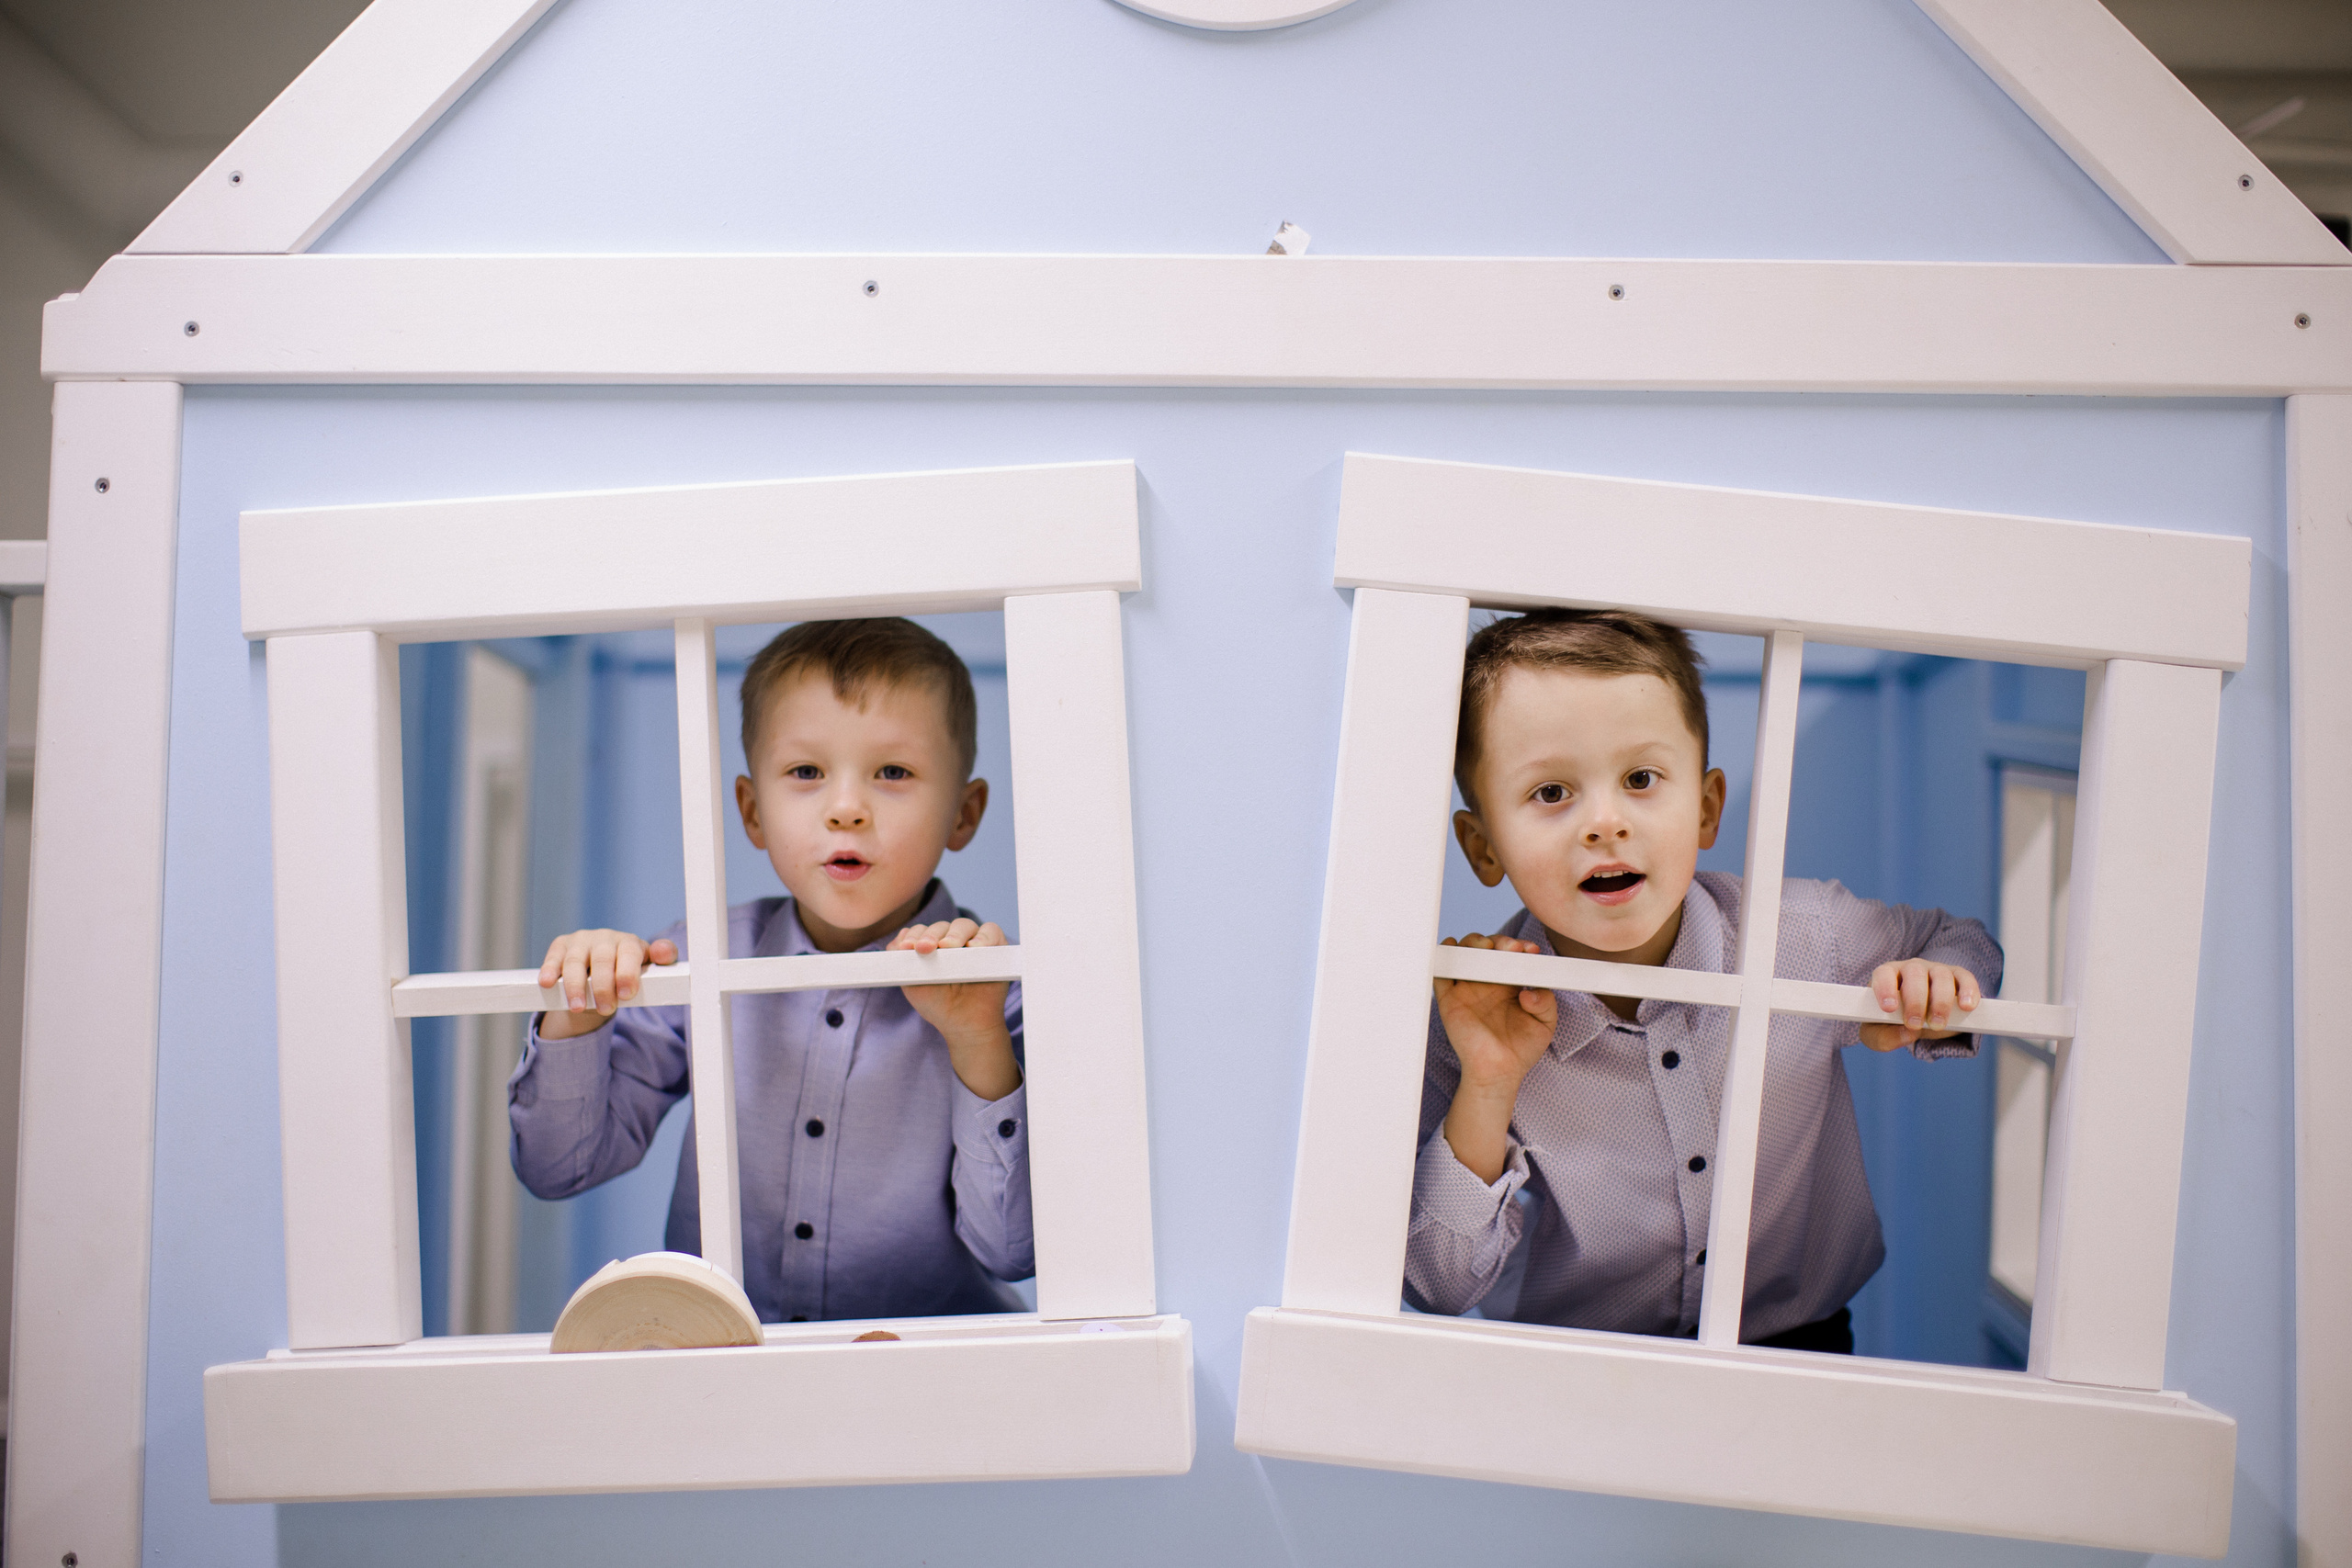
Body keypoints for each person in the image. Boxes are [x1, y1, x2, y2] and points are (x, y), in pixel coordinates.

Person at [1407, 609, 2001, 1352]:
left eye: (1642, 778)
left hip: (1800, 1342)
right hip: (1577, 1363)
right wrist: (1489, 1083)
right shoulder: (1478, 1013)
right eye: (1552, 793)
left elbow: (1963, 940)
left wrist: (1937, 988)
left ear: (1707, 808)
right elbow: (1436, 1285)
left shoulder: (1801, 936)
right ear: (1483, 845)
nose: (1604, 822)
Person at [509, 617, 1031, 1324]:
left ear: (963, 815)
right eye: (807, 772)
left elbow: (1012, 1250)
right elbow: (557, 1167)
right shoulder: (701, 956)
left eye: (894, 772)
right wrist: (580, 1013)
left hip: (929, 1384)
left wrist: (975, 1042)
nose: (847, 809)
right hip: (723, 1369)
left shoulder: (996, 990)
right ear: (753, 813)